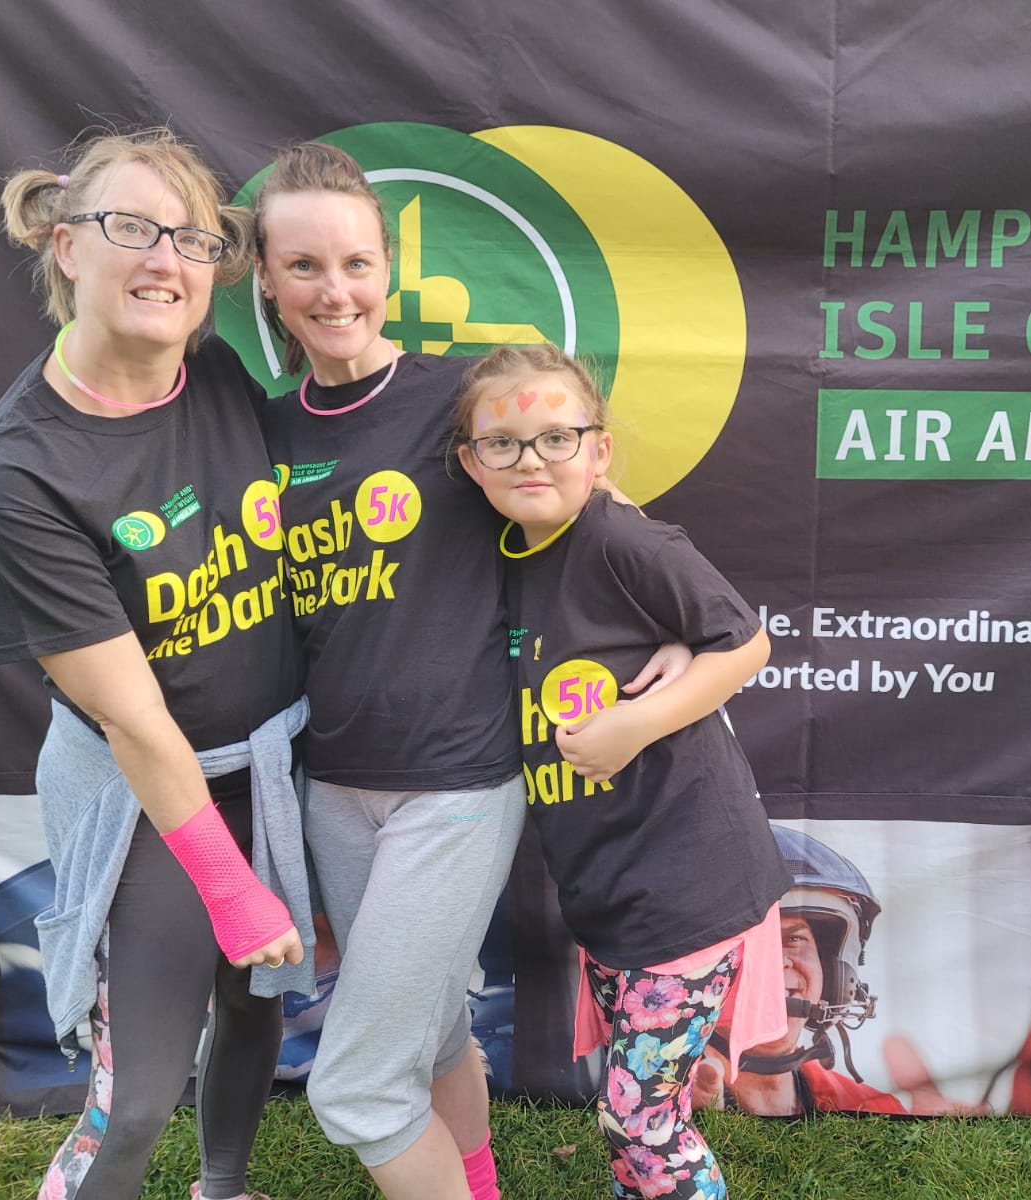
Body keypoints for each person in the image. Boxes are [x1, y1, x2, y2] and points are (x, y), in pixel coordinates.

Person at [249, 143, 684, 1200]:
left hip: (456, 783)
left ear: (387, 268)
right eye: (303, 266)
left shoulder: (460, 398)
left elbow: (585, 494)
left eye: (355, 262)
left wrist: (666, 626)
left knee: (355, 1087)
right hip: (332, 784)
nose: (333, 290)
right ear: (264, 278)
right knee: (434, 1024)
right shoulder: (261, 422)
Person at [0, 127, 310, 1200]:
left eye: (192, 239)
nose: (164, 259)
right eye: (131, 229)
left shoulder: (219, 373)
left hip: (275, 766)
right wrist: (232, 889)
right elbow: (137, 722)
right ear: (65, 246)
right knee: (138, 1097)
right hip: (154, 791)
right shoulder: (15, 474)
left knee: (255, 1009)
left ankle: (225, 1188)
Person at [454, 344, 791, 1200]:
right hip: (610, 888)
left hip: (689, 881)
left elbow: (746, 642)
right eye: (504, 442)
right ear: (470, 461)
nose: (531, 458)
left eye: (557, 437)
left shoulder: (618, 538)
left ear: (598, 449)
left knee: (637, 1121)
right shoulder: (499, 554)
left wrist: (632, 726)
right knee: (644, 1111)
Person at [691, 825, 906, 1116]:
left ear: (833, 971)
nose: (775, 962)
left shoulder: (868, 1109)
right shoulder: (647, 1103)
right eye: (751, 942)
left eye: (794, 939)